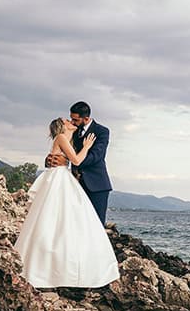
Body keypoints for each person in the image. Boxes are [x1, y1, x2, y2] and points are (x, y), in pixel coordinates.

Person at [14, 117, 120, 289]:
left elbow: (71, 157)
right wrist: (86, 147)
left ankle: (69, 262)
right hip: (60, 179)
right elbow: (75, 160)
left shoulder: (85, 134)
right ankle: (61, 266)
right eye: (68, 120)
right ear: (62, 126)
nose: (71, 121)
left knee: (68, 219)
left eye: (73, 119)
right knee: (59, 217)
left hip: (71, 179)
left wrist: (64, 158)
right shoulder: (63, 137)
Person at [46, 101, 112, 225]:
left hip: (97, 185)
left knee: (96, 223)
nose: (72, 122)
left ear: (86, 118)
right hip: (75, 184)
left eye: (75, 119)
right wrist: (52, 159)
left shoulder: (101, 131)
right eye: (71, 118)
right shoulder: (72, 130)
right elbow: (60, 147)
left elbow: (96, 156)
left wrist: (71, 161)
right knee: (77, 223)